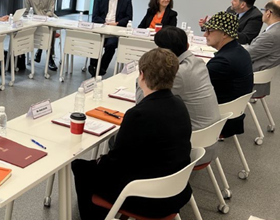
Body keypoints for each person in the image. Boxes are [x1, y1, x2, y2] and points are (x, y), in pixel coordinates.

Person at [73, 48, 192, 220]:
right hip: (176, 190)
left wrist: (98, 162)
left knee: (81, 167)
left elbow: (116, 162)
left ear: (141, 75)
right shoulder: (180, 105)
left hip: (148, 198)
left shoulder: (139, 114)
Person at [136, 27, 220, 163]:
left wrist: (142, 75)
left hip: (193, 146)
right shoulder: (197, 62)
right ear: (187, 45)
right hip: (209, 138)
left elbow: (142, 101)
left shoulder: (179, 74)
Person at [203, 11, 253, 137]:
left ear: (224, 34)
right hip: (234, 115)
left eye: (209, 30)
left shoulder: (222, 62)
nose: (205, 34)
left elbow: (195, 88)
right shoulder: (240, 51)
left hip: (220, 120)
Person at [246, 0, 280, 97]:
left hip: (251, 80)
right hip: (260, 77)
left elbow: (245, 56)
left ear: (269, 13)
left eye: (263, 10)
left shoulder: (271, 35)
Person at [90, 0, 133, 76]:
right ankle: (93, 65)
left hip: (116, 30)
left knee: (111, 45)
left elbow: (128, 18)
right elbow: (95, 17)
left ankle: (101, 68)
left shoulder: (127, 1)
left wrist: (117, 23)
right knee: (95, 41)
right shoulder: (101, 0)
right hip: (102, 28)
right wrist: (105, 23)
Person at [23, 0, 58, 71]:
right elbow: (26, 10)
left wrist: (45, 18)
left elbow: (51, 9)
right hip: (35, 19)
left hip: (49, 17)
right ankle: (40, 51)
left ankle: (49, 57)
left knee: (50, 29)